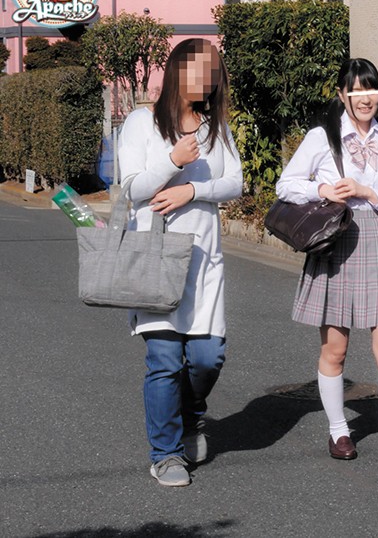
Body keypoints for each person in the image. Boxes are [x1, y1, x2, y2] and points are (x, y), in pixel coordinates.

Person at [276, 58, 378, 472]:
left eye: (371, 90)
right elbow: (285, 185)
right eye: (356, 91)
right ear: (343, 95)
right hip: (335, 240)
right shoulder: (322, 138)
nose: (365, 98)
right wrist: (322, 189)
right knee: (335, 350)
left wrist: (369, 192)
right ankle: (339, 430)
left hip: (377, 239)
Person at [118, 38, 243, 486]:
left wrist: (193, 190)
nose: (206, 78)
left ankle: (191, 416)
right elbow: (132, 188)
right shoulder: (142, 122)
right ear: (177, 69)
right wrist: (173, 161)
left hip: (203, 261)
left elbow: (235, 183)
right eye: (198, 68)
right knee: (165, 360)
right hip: (155, 257)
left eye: (212, 70)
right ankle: (166, 453)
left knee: (208, 358)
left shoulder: (215, 129)